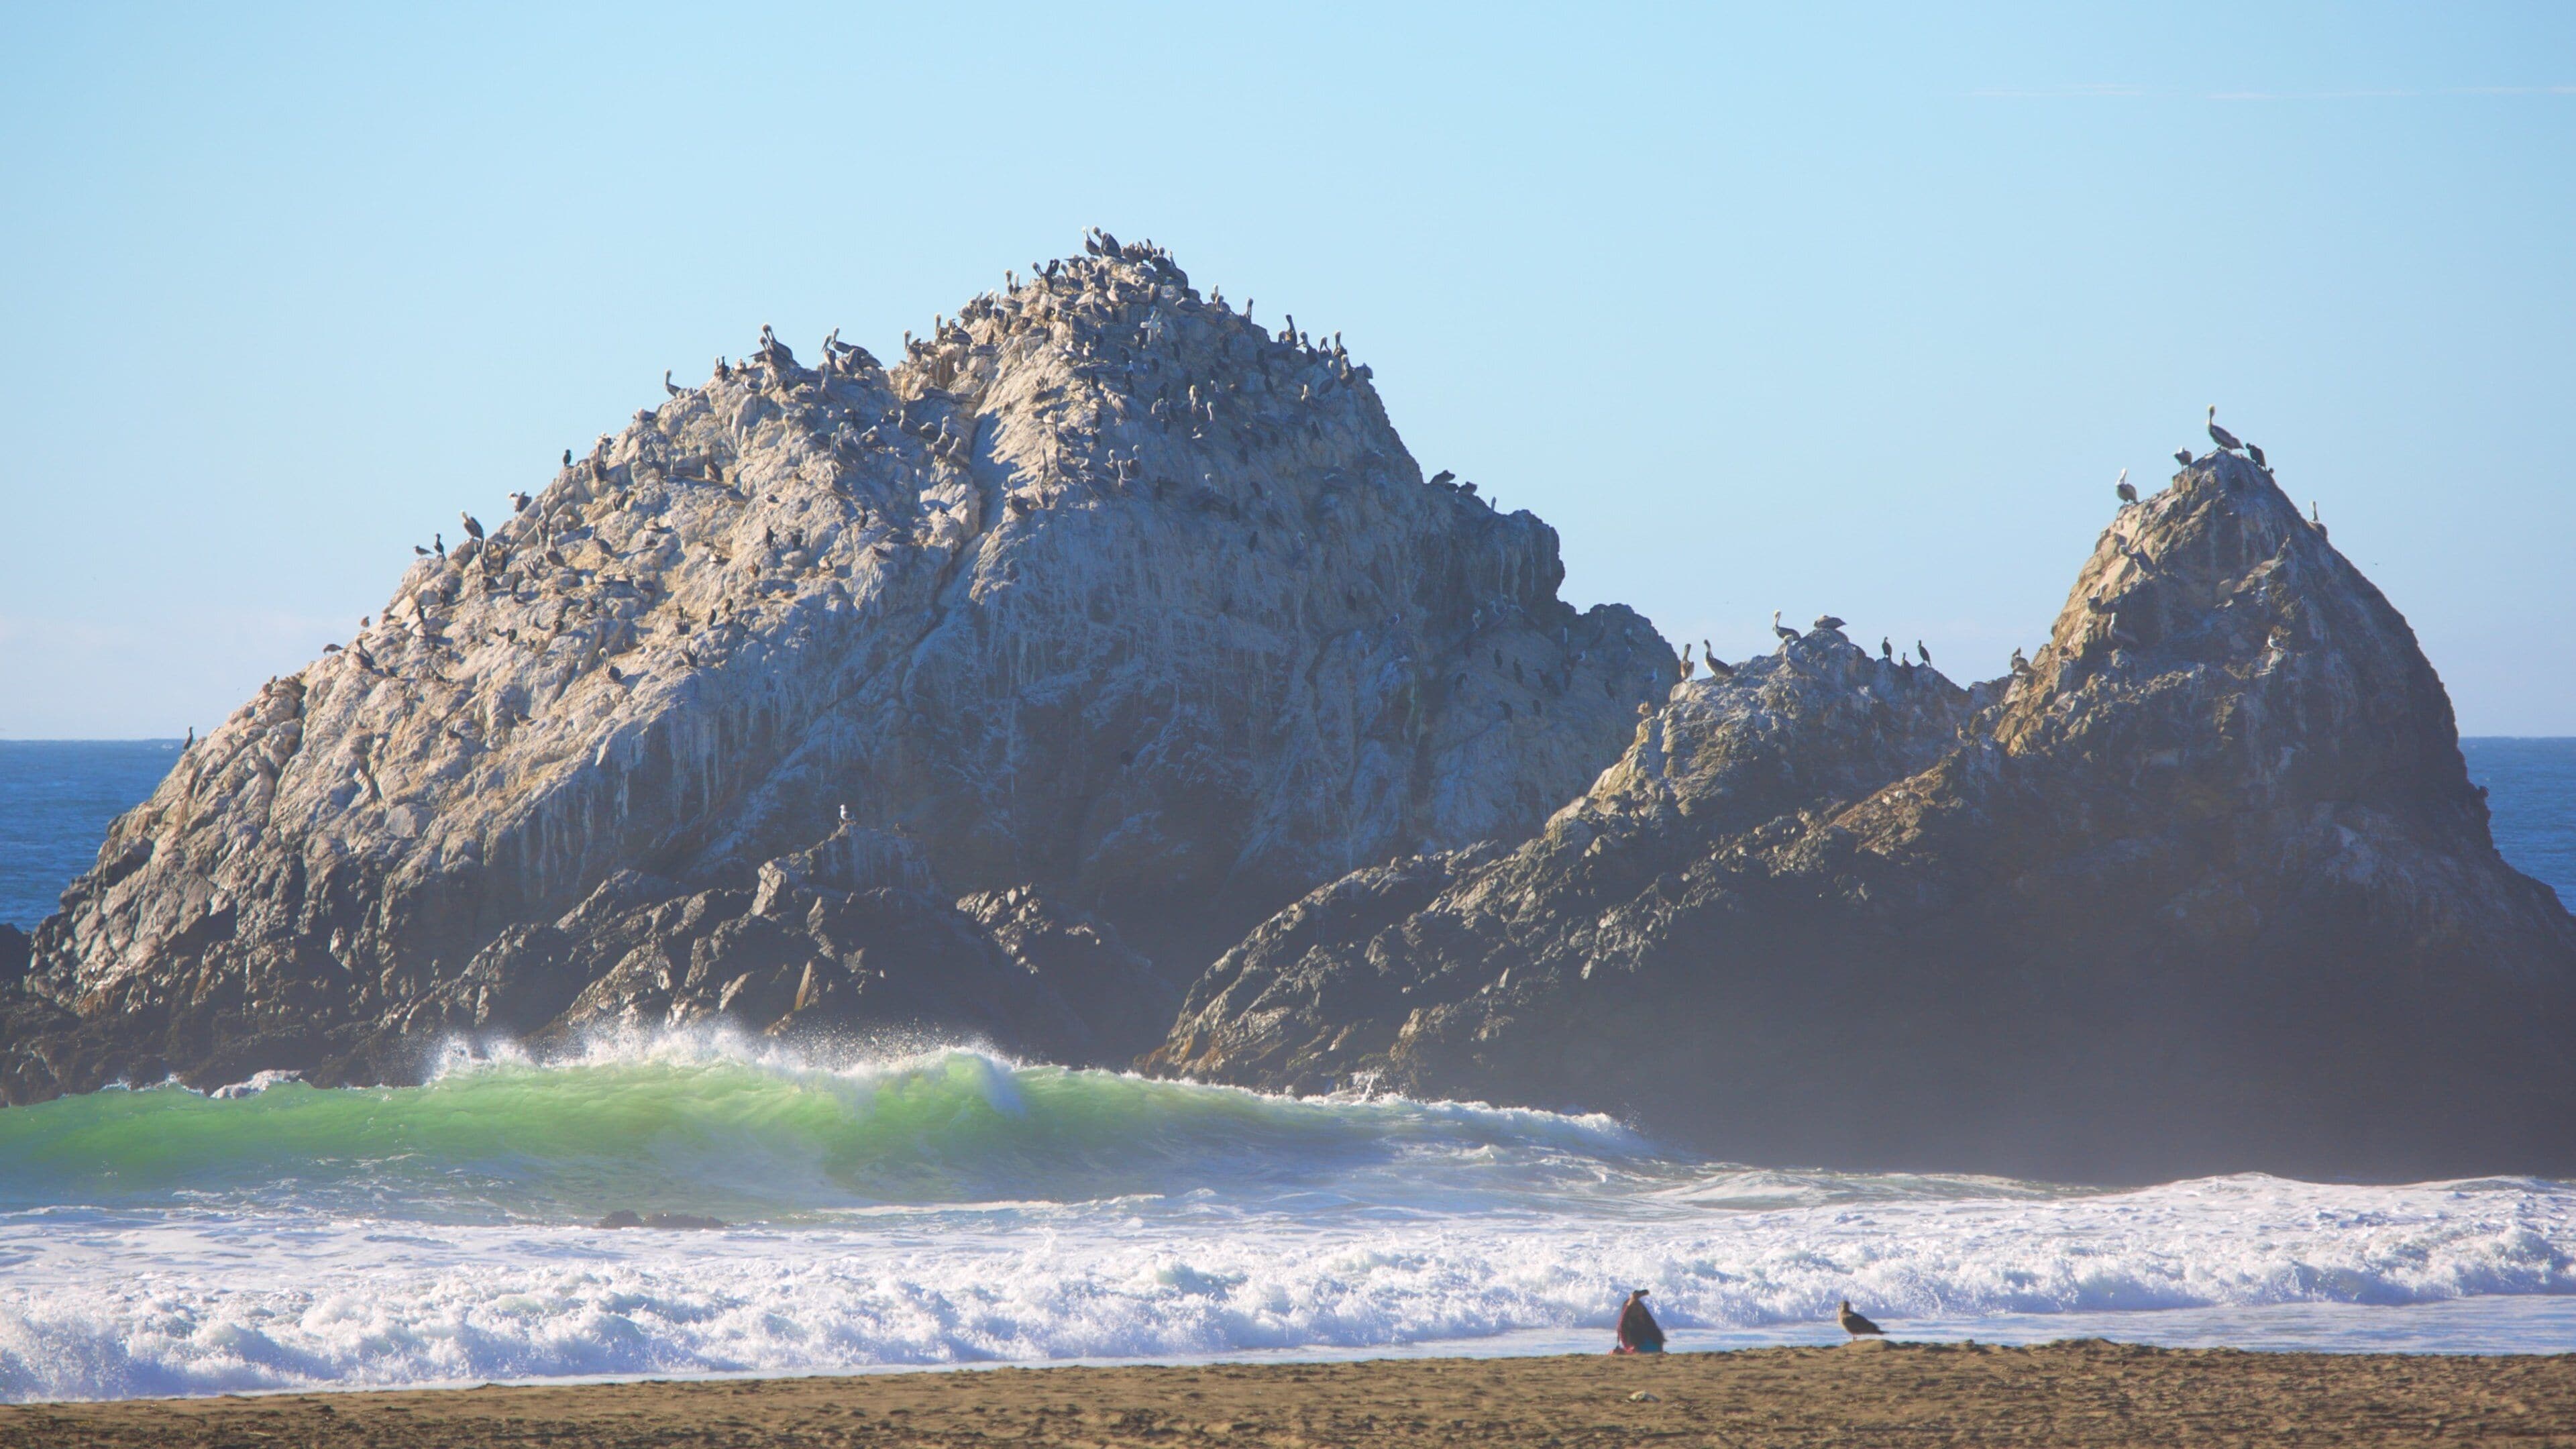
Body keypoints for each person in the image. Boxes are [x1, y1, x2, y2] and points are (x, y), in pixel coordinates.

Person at [1611, 1288, 1666, 1354]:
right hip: (1640, 1356)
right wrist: (1631, 1301)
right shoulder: (1627, 1330)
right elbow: (1622, 1323)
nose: (1637, 1307)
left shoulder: (1650, 1326)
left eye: (1638, 1305)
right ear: (1630, 1311)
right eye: (1634, 1306)